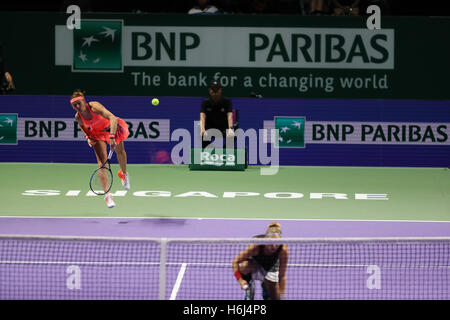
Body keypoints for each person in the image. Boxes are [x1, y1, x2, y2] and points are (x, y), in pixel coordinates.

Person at [70, 90, 130, 208]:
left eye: (79, 103)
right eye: (74, 105)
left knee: (120, 152)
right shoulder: (78, 116)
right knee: (101, 164)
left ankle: (123, 173)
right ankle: (108, 196)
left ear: (84, 101)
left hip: (111, 128)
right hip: (97, 134)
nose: (77, 106)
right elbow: (82, 126)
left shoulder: (94, 107)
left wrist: (112, 136)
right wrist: (88, 137)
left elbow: (113, 118)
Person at [232, 222, 289, 300]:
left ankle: (265, 286)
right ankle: (250, 286)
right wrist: (240, 280)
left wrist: (282, 296)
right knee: (244, 266)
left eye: (277, 244)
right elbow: (235, 261)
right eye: (271, 243)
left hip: (270, 269)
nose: (274, 247)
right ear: (266, 241)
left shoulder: (283, 250)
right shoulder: (255, 247)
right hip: (255, 267)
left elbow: (282, 275)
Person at [200, 80, 235, 149]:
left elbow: (230, 116)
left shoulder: (227, 101)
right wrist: (202, 129)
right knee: (201, 132)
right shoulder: (205, 102)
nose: (215, 92)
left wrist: (231, 129)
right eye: (213, 90)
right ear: (209, 90)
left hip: (223, 129)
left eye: (217, 89)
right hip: (210, 129)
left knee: (234, 133)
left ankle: (225, 151)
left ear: (220, 90)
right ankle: (208, 151)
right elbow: (202, 116)